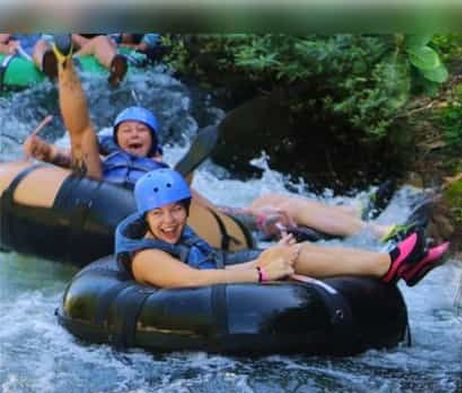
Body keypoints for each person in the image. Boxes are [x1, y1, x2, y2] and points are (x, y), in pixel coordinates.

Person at [22, 36, 415, 243]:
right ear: (116, 139)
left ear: (155, 143)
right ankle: (63, 60)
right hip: (119, 198)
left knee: (271, 203)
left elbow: (192, 204)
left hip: (185, 205)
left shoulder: (159, 161)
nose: (135, 133)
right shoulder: (104, 161)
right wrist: (45, 154)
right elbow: (81, 137)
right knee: (85, 145)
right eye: (127, 129)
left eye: (142, 129)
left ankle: (358, 220)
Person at [115, 169, 449, 290]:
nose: (169, 221)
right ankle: (390, 264)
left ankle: (393, 263)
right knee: (286, 259)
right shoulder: (147, 257)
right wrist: (261, 273)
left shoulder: (179, 235)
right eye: (158, 214)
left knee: (291, 252)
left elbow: (212, 265)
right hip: (195, 303)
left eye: (176, 210)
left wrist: (269, 259)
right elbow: (194, 279)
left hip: (215, 284)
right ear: (145, 216)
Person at [0, 33, 126, 86]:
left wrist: (109, 45)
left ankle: (114, 65)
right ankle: (50, 68)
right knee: (41, 44)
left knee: (100, 40)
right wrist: (7, 49)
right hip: (30, 58)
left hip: (67, 58)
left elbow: (82, 42)